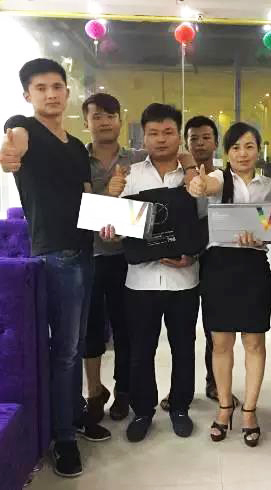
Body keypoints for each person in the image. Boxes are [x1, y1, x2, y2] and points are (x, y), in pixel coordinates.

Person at [0, 58, 110, 479]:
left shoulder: (76, 146)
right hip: (54, 254)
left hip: (85, 250)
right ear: (27, 95)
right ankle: (63, 438)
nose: (50, 94)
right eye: (40, 87)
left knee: (75, 347)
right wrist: (9, 154)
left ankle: (72, 416)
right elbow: (13, 147)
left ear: (67, 91)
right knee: (64, 353)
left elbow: (86, 200)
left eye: (57, 86)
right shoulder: (23, 128)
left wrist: (107, 216)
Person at [101, 103, 201, 443]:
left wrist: (192, 254)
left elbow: (205, 223)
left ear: (179, 136)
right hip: (140, 281)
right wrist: (111, 231)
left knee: (183, 347)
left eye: (168, 132)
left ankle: (180, 407)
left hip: (184, 280)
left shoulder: (194, 178)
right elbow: (114, 226)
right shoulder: (128, 176)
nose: (161, 139)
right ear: (143, 137)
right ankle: (142, 411)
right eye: (153, 133)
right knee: (140, 349)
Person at [188, 122, 271, 447]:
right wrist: (199, 185)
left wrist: (263, 236)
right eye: (235, 147)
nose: (243, 153)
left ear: (259, 150)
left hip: (254, 266)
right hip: (219, 267)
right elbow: (206, 186)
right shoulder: (218, 178)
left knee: (254, 342)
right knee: (221, 343)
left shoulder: (268, 186)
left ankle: (250, 410)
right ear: (226, 152)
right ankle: (225, 406)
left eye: (249, 146)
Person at [160, 115, 238, 410]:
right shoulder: (176, 177)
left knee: (215, 327)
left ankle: (215, 383)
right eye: (194, 138)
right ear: (186, 142)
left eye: (206, 137)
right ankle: (180, 390)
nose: (200, 143)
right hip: (183, 260)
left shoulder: (226, 178)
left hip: (217, 261)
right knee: (183, 330)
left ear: (216, 142)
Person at [82, 92, 147, 423]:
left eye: (110, 115)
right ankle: (94, 392)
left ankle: (124, 390)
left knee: (125, 328)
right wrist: (105, 195)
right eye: (97, 116)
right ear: (86, 122)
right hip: (89, 256)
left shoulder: (138, 158)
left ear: (120, 120)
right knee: (91, 330)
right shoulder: (76, 159)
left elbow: (175, 157)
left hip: (126, 256)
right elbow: (74, 205)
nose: (104, 122)